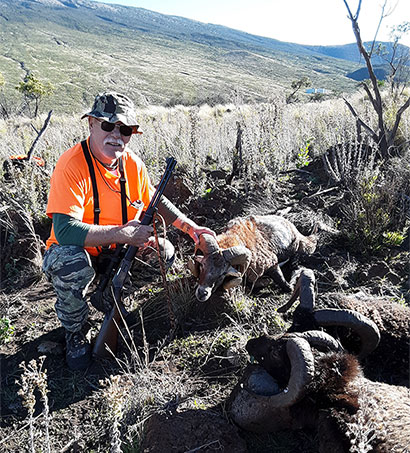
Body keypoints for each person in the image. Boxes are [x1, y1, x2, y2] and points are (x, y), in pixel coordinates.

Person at [43, 92, 215, 370]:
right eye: (108, 126)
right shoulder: (71, 165)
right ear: (91, 125)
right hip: (78, 252)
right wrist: (122, 234)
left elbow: (154, 199)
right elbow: (64, 231)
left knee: (164, 251)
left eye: (125, 130)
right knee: (69, 262)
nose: (117, 136)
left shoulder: (131, 163)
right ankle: (76, 330)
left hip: (117, 253)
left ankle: (112, 298)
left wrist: (191, 228)